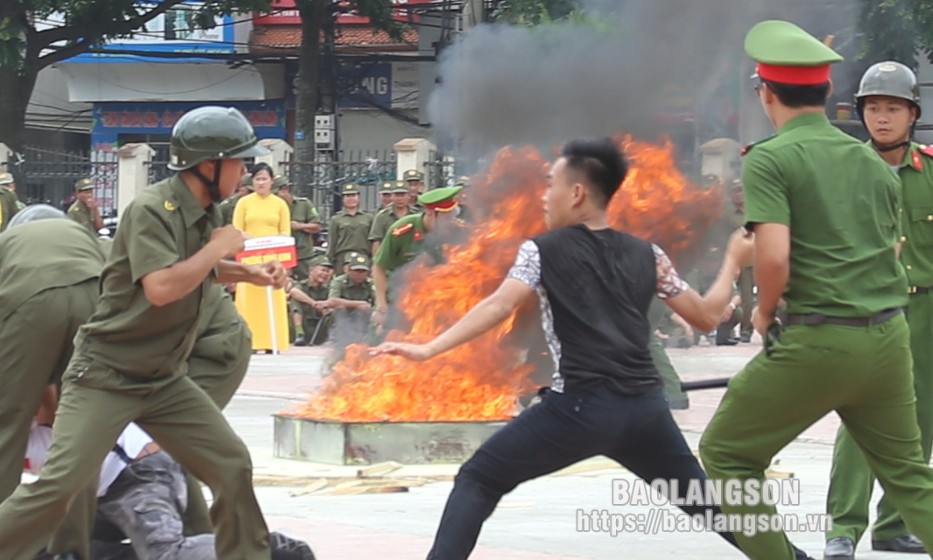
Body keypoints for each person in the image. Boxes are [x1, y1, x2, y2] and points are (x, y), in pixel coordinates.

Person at [373, 137, 757, 559]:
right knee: (709, 508)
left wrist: (429, 349)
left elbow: (499, 305)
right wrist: (733, 263)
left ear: (577, 194)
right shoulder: (648, 254)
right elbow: (705, 315)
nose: (543, 195)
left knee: (479, 478)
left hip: (579, 409)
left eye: (551, 184)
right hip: (646, 409)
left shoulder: (540, 250)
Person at [0, 105, 286, 560]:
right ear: (208, 164)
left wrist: (249, 275)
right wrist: (217, 248)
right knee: (59, 488)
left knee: (232, 466)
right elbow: (161, 286)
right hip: (105, 375)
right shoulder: (153, 208)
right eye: (239, 162)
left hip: (162, 378)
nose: (245, 172)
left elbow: (193, 269)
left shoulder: (208, 210)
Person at [699, 21, 933, 560]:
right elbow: (891, 252)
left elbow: (774, 255)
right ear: (828, 93)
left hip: (821, 340)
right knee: (911, 478)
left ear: (765, 93)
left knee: (728, 452)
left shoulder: (769, 157)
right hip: (889, 338)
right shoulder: (870, 164)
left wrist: (762, 312)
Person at [823, 61, 933, 558]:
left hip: (927, 312)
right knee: (860, 420)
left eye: (893, 108)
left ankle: (895, 525)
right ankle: (843, 529)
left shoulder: (930, 171)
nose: (882, 118)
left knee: (922, 418)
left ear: (913, 114)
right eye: (873, 108)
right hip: (868, 314)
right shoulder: (844, 170)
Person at [24, 385, 316, 560]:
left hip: (138, 475)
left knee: (165, 553)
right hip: (90, 495)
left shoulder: (28, 411)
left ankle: (268, 548)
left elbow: (51, 400)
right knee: (39, 547)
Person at [0, 208, 108, 560]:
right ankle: (72, 549)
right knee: (79, 433)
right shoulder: (86, 237)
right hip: (94, 296)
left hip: (29, 301)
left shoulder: (8, 244)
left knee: (7, 428)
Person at [371, 186, 465, 337]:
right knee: (379, 347)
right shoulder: (402, 230)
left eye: (452, 216)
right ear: (431, 213)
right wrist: (381, 307)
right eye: (447, 217)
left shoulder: (457, 231)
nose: (451, 221)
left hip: (438, 302)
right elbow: (379, 267)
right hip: (400, 298)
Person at [233, 162, 292, 353]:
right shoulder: (243, 202)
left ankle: (272, 342)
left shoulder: (280, 204)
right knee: (249, 300)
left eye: (264, 178)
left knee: (273, 298)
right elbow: (237, 230)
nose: (261, 183)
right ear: (252, 181)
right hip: (250, 259)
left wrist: (271, 242)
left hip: (273, 259)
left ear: (271, 181)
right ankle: (250, 342)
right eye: (257, 179)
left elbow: (285, 232)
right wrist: (253, 241)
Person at [273, 175, 321, 281]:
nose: (275, 197)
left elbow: (317, 226)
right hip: (281, 255)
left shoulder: (304, 204)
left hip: (303, 255)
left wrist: (300, 226)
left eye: (277, 194)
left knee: (306, 283)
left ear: (286, 190)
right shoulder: (271, 207)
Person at [288, 255, 334, 346]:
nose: (325, 274)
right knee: (295, 301)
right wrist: (314, 304)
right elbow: (293, 291)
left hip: (321, 327)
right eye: (323, 270)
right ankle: (299, 333)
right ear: (311, 270)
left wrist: (326, 308)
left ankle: (332, 337)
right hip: (304, 326)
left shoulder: (330, 287)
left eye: (328, 271)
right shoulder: (302, 285)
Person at [327, 182, 373, 269]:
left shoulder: (368, 217)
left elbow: (372, 241)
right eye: (347, 196)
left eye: (353, 195)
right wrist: (330, 262)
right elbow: (332, 243)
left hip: (363, 257)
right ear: (343, 199)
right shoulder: (336, 219)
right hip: (342, 259)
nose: (351, 199)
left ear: (358, 198)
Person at [369, 180, 416, 255]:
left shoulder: (416, 215)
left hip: (411, 258)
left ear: (408, 196)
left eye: (402, 195)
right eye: (397, 195)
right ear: (392, 196)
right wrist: (376, 261)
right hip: (389, 257)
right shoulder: (382, 216)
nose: (399, 199)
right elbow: (376, 241)